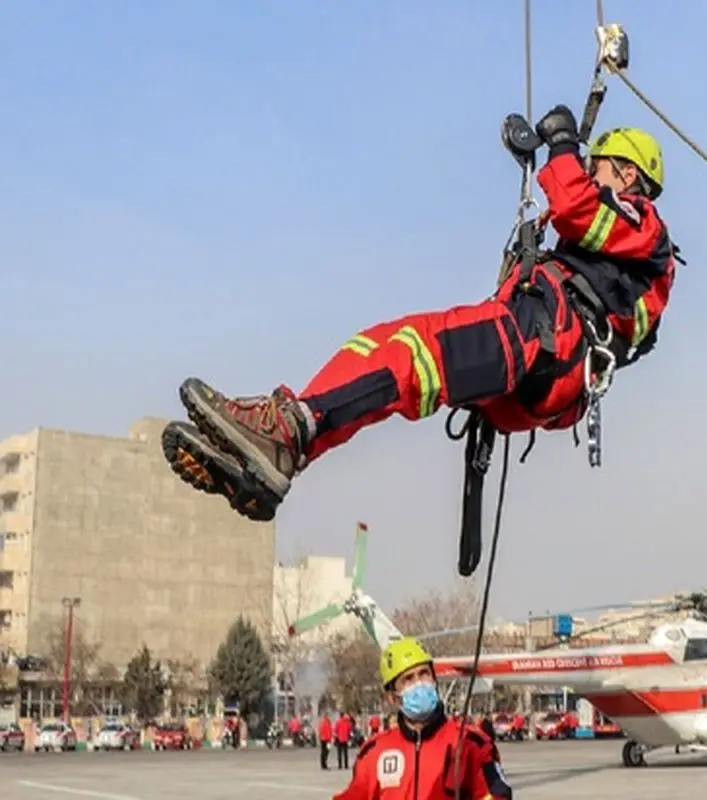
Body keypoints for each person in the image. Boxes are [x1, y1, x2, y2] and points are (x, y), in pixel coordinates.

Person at [159, 105, 679, 524]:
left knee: (411, 350)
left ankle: (287, 430)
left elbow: (575, 206)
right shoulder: (625, 251)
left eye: (599, 166)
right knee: (382, 353)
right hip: (541, 355)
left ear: (628, 174)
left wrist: (563, 144)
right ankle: (279, 449)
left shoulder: (646, 227)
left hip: (541, 343)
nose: (589, 173)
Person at [333, 637, 511, 800]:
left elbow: (497, 794)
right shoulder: (374, 752)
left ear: (434, 679)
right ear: (392, 697)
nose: (419, 683)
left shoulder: (470, 743)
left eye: (424, 673)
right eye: (408, 679)